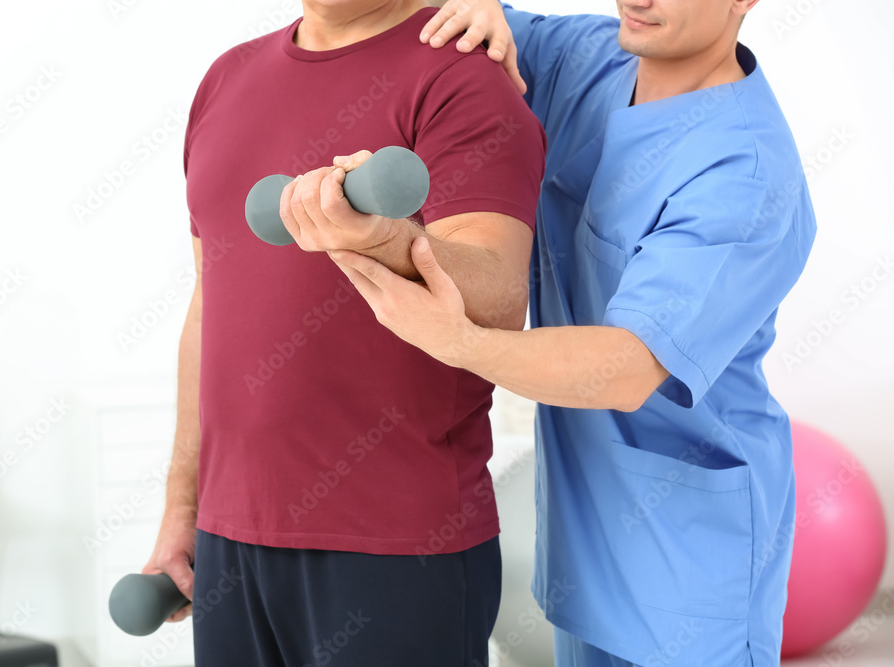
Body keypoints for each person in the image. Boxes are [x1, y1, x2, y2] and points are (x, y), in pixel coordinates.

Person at [329, 0, 818, 665]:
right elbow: (443, 20)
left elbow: (627, 366)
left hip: (690, 557)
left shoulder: (744, 171)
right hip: (584, 538)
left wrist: (457, 340)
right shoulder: (584, 58)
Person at [143, 1, 546, 665]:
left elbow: (498, 299)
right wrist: (182, 505)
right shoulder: (226, 78)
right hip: (229, 542)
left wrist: (384, 240)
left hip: (397, 543)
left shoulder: (461, 78)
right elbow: (209, 307)